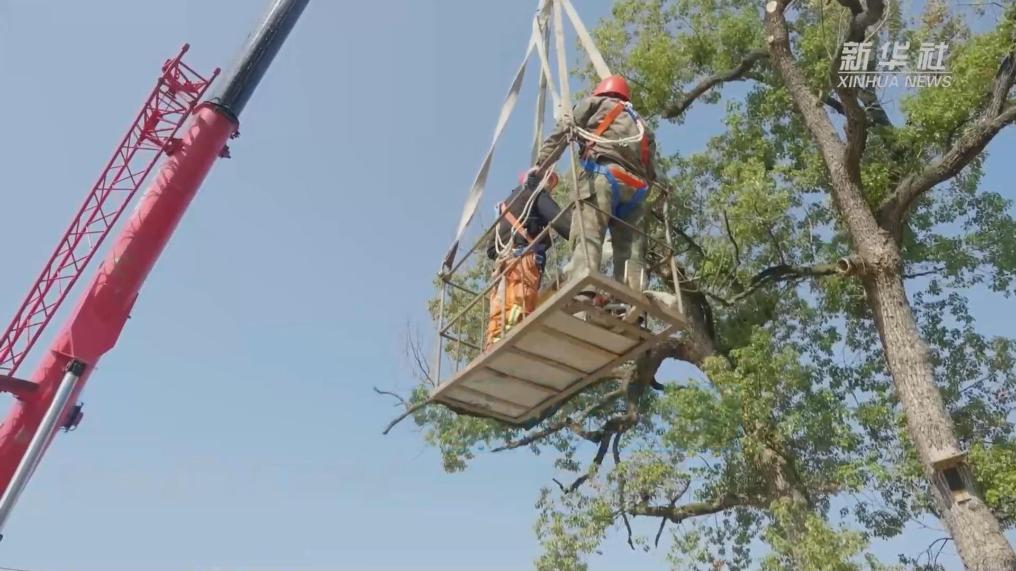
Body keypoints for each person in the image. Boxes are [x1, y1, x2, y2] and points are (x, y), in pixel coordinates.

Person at [527, 74, 657, 294]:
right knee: (632, 250)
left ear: (602, 91)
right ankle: (632, 300)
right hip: (636, 189)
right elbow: (652, 171)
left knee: (589, 235)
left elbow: (564, 130)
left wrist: (541, 165)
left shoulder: (596, 104)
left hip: (603, 175)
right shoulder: (643, 125)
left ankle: (584, 290)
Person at [484, 171, 571, 349]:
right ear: (540, 180)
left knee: (501, 313)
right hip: (523, 265)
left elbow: (491, 249)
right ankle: (516, 341)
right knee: (520, 305)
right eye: (549, 182)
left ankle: (494, 343)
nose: (550, 188)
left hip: (503, 269)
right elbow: (565, 224)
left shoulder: (506, 206)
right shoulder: (535, 193)